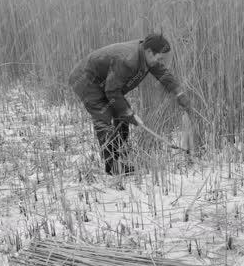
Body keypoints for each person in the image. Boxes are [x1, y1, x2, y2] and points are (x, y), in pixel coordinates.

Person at [69, 33, 191, 175]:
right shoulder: (128, 61)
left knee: (121, 115)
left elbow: (163, 74)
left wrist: (179, 93)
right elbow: (112, 92)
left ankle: (120, 152)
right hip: (86, 80)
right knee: (104, 118)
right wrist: (129, 113)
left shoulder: (147, 56)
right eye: (160, 58)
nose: (160, 61)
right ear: (150, 52)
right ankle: (113, 167)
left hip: (106, 82)